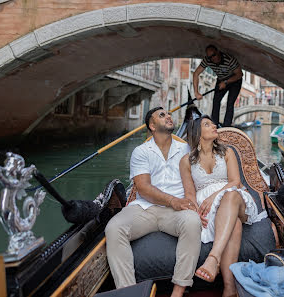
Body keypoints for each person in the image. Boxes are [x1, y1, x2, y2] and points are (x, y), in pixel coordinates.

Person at [105, 107, 202, 297]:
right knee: (114, 228)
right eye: (162, 115)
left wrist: (190, 203)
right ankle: (129, 292)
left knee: (192, 222)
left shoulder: (186, 148)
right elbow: (143, 188)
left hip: (176, 211)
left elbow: (192, 179)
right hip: (145, 208)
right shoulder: (141, 151)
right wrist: (172, 200)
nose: (168, 116)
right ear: (151, 125)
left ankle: (178, 290)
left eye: (169, 114)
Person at [179, 115, 267, 297]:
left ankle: (214, 258)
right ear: (197, 133)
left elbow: (235, 181)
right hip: (212, 210)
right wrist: (196, 212)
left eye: (212, 123)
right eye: (207, 124)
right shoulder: (186, 161)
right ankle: (229, 288)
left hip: (234, 197)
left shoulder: (227, 152)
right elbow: (189, 194)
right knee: (233, 223)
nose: (213, 126)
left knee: (230, 196)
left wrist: (214, 197)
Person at [193, 45, 243, 127]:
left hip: (235, 80)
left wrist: (226, 82)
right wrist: (196, 92)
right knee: (216, 101)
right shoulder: (207, 60)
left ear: (218, 52)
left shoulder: (230, 59)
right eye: (210, 57)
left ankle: (227, 126)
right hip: (221, 79)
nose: (212, 58)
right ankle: (214, 124)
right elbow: (196, 73)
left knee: (230, 103)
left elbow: (240, 74)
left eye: (214, 55)